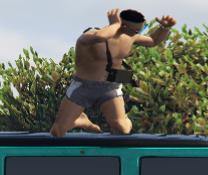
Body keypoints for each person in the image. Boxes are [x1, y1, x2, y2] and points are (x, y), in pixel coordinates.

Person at [51, 8, 179, 137]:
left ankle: (121, 119)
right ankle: (79, 119)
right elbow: (100, 36)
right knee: (57, 132)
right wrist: (115, 24)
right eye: (135, 30)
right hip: (83, 87)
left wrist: (164, 28)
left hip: (110, 88)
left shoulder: (129, 37)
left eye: (141, 29)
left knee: (123, 129)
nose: (137, 33)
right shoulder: (90, 35)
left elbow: (152, 41)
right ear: (122, 25)